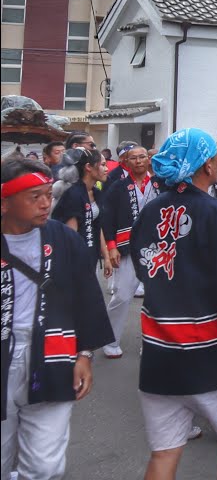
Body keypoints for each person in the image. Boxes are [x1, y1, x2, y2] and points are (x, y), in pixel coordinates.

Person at [129, 129, 217, 480]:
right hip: (211, 351)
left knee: (164, 453)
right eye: (216, 155)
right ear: (207, 165)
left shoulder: (148, 213)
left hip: (160, 351)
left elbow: (141, 269)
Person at [1, 158, 113, 479]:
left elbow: (87, 297)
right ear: (4, 202)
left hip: (53, 354)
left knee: (45, 465)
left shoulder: (64, 240)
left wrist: (85, 353)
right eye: (34, 196)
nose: (45, 204)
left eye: (48, 194)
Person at [97, 143, 158, 359]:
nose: (139, 161)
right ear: (126, 162)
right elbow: (106, 217)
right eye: (134, 158)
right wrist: (111, 247)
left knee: (156, 300)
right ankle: (110, 339)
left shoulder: (160, 185)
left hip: (157, 251)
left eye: (143, 157)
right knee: (122, 296)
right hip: (127, 249)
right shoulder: (118, 187)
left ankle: (152, 343)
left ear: (148, 160)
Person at [51, 148, 108, 260]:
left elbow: (96, 226)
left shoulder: (96, 192)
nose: (106, 169)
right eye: (103, 165)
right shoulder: (73, 195)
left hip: (91, 255)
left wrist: (106, 256)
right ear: (88, 167)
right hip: (76, 259)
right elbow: (71, 236)